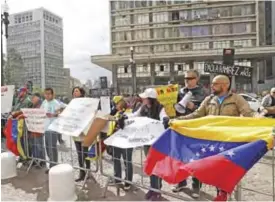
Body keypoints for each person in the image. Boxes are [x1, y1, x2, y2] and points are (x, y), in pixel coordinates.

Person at [174, 75, 266, 201]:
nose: (212, 86)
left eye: (215, 84)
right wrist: (177, 120)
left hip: (228, 142)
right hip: (210, 141)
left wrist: (258, 116)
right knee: (208, 167)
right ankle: (211, 191)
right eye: (212, 83)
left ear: (225, 85)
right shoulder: (209, 99)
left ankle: (222, 195)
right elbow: (197, 115)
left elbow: (248, 113)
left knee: (224, 170)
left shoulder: (236, 99)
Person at [129, 88, 170, 201]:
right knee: (151, 165)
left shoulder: (160, 108)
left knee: (157, 166)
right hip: (147, 141)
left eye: (145, 97)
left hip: (158, 142)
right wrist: (125, 117)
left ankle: (157, 190)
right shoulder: (143, 107)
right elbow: (134, 115)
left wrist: (166, 119)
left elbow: (163, 116)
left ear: (150, 99)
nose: (142, 99)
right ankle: (153, 188)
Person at [172, 70, 207, 197]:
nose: (187, 80)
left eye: (191, 78)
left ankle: (196, 187)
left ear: (197, 78)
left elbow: (205, 111)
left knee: (196, 158)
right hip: (181, 127)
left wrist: (193, 107)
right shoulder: (181, 92)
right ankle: (181, 182)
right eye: (186, 77)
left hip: (195, 129)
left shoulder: (203, 93)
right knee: (180, 157)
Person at [109, 96, 134, 191]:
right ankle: (117, 178)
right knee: (116, 159)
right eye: (114, 104)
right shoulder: (115, 112)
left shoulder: (129, 112)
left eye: (117, 103)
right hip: (116, 140)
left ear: (122, 103)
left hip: (127, 141)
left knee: (127, 161)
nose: (115, 105)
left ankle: (128, 181)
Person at [40, 87, 62, 174]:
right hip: (46, 128)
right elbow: (40, 111)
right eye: (46, 93)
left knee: (52, 147)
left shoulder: (56, 103)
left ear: (52, 94)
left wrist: (53, 114)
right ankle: (51, 164)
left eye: (49, 93)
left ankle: (54, 165)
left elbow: (59, 113)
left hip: (53, 128)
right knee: (48, 147)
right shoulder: (44, 102)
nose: (47, 95)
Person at [71, 87, 91, 182]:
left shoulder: (85, 102)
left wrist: (85, 129)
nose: (75, 92)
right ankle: (82, 172)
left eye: (77, 91)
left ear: (81, 92)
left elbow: (88, 116)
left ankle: (87, 171)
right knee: (79, 154)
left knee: (84, 153)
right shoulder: (72, 103)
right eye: (74, 91)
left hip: (84, 131)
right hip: (76, 132)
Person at [29, 93, 46, 168]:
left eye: (33, 98)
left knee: (39, 146)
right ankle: (36, 160)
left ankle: (42, 161)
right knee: (34, 145)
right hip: (33, 128)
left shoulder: (41, 105)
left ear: (37, 98)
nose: (32, 99)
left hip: (38, 129)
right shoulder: (34, 105)